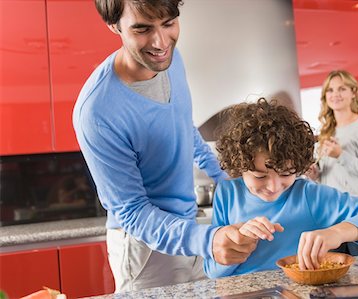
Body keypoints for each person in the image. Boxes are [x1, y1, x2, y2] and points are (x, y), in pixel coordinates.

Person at [73, 0, 256, 292]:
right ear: (114, 25)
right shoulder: (97, 112)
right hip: (146, 249)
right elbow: (132, 212)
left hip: (190, 228)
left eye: (169, 23)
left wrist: (224, 178)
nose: (160, 42)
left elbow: (183, 124)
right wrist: (206, 240)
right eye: (142, 29)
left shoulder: (170, 58)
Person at [203, 98, 358, 278]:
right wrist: (236, 248)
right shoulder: (227, 193)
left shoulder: (308, 195)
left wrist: (337, 233)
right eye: (260, 176)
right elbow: (211, 271)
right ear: (240, 166)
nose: (273, 186)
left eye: (286, 173)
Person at [307, 70, 358, 255]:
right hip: (332, 214)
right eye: (330, 90)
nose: (335, 94)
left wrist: (341, 155)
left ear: (353, 92)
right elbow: (330, 178)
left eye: (342, 89)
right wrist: (314, 174)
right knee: (336, 276)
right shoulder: (326, 131)